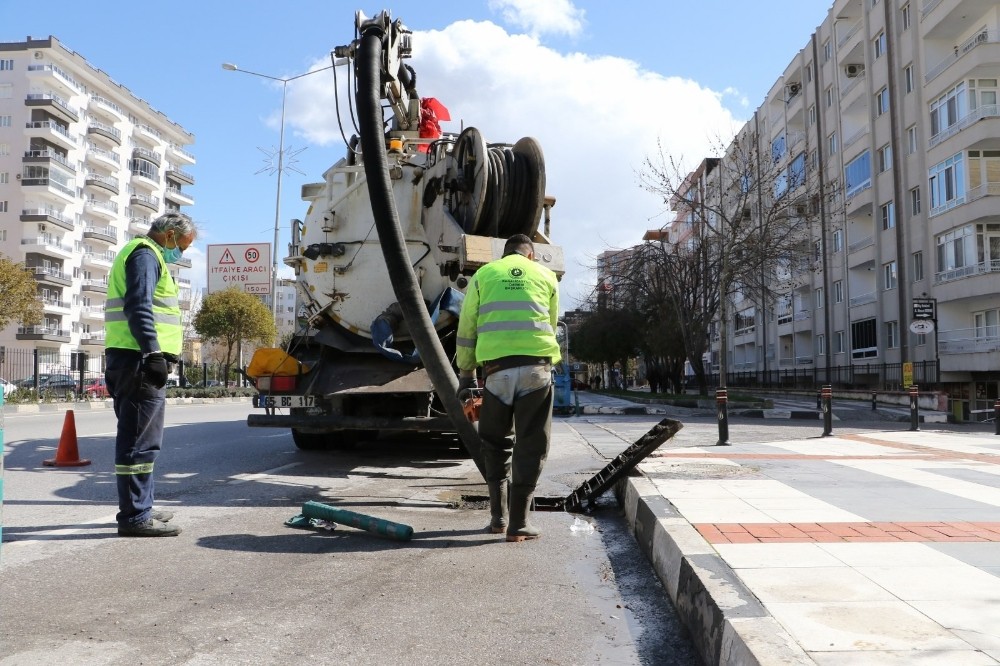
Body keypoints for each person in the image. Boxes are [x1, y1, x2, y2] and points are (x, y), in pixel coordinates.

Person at [456, 234, 561, 542]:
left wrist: (466, 376)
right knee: (531, 445)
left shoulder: (484, 275)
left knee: (496, 445)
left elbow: (467, 329)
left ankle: (498, 519)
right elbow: (551, 324)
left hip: (496, 372)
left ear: (504, 257)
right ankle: (520, 524)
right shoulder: (546, 275)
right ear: (530, 256)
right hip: (536, 371)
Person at [105, 212, 196, 537]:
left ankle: (141, 505)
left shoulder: (144, 253)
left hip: (130, 359)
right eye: (182, 246)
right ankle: (135, 517)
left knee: (143, 441)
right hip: (137, 361)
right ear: (170, 235)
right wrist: (152, 352)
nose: (181, 254)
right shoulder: (145, 255)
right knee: (138, 443)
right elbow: (138, 306)